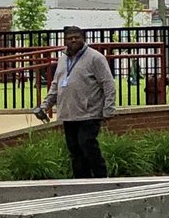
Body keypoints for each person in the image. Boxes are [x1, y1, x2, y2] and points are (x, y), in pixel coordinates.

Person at [38, 24, 115, 178]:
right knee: (74, 149)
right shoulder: (62, 60)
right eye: (69, 38)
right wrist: (45, 104)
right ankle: (81, 181)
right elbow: (56, 85)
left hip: (89, 113)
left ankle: (102, 178)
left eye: (77, 37)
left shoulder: (95, 58)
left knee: (87, 143)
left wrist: (109, 108)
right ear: (65, 40)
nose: (73, 40)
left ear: (83, 39)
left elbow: (108, 83)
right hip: (68, 113)